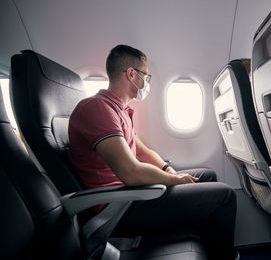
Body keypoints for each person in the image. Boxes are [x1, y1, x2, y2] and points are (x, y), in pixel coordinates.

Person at [68, 44, 238, 259]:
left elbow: (145, 152)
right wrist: (173, 180)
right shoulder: (97, 108)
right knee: (225, 195)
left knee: (207, 175)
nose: (147, 82)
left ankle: (203, 247)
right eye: (145, 76)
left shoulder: (119, 109)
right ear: (131, 74)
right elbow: (131, 172)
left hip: (130, 193)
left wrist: (170, 171)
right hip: (118, 205)